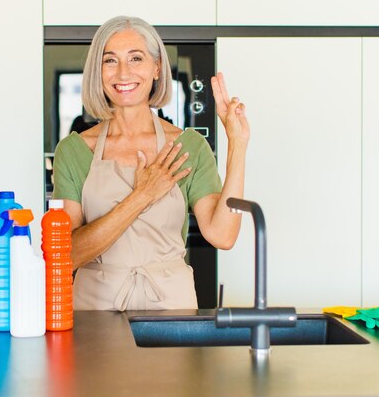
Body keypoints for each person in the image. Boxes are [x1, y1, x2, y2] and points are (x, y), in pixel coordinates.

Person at [52, 16, 250, 311]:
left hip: (171, 309)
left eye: (136, 58)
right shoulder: (75, 150)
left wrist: (238, 143)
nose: (123, 72)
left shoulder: (189, 147)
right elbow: (67, 256)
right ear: (98, 71)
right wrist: (141, 196)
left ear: (157, 67)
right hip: (95, 312)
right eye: (110, 60)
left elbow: (222, 235)